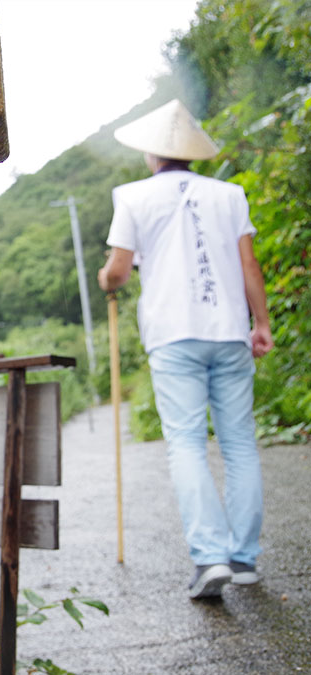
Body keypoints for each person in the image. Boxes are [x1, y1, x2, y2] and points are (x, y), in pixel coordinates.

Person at [97, 99, 274, 599]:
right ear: (192, 154)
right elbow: (249, 267)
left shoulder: (131, 196)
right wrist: (260, 323)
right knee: (239, 444)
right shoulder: (229, 194)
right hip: (229, 332)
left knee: (187, 444)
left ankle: (210, 557)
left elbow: (117, 269)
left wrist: (107, 277)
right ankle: (242, 559)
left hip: (174, 338)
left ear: (153, 154)